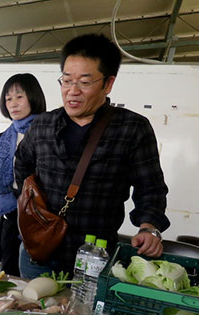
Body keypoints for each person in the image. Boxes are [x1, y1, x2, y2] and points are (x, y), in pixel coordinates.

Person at [14, 34, 170, 278]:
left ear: (108, 84)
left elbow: (150, 187)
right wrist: (32, 207)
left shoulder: (132, 129)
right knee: (31, 311)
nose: (72, 92)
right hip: (39, 251)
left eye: (84, 83)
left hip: (94, 257)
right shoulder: (42, 125)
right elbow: (22, 165)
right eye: (66, 81)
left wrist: (149, 228)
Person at [0, 73, 46, 276]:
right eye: (8, 98)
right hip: (11, 216)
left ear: (33, 97)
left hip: (40, 215)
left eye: (19, 96)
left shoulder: (48, 133)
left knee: (33, 278)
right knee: (7, 273)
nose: (13, 103)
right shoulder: (1, 140)